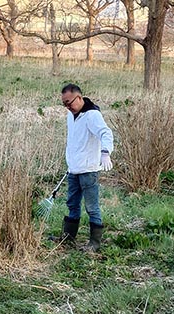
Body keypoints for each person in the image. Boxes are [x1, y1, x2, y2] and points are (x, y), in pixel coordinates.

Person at [60, 83, 114, 252]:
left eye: (69, 103)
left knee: (92, 207)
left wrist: (105, 152)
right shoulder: (71, 115)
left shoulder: (92, 115)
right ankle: (68, 237)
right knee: (72, 204)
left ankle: (94, 243)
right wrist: (70, 162)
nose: (68, 107)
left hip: (89, 170)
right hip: (74, 169)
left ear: (79, 97)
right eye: (64, 104)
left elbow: (106, 133)